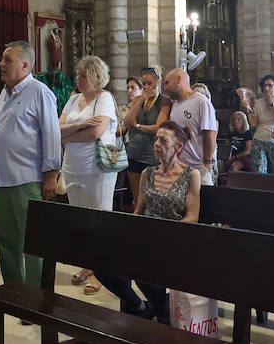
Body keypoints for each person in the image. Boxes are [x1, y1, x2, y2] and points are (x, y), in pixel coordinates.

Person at [95, 122, 201, 322]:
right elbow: (139, 211)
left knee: (144, 268)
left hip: (174, 242)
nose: (157, 144)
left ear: (178, 147)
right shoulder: (147, 173)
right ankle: (140, 305)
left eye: (163, 140)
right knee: (101, 264)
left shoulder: (191, 175)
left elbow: (193, 215)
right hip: (145, 240)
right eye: (156, 139)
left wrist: (169, 234)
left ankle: (160, 311)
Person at [0, 41, 61, 287]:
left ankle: (35, 299)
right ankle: (14, 292)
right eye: (2, 59)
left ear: (25, 65)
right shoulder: (4, 92)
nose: (1, 64)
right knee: (7, 240)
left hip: (28, 178)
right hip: (2, 179)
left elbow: (51, 134)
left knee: (33, 242)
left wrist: (51, 174)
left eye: (7, 60)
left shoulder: (39, 92)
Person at [59, 55, 119, 295]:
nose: (78, 78)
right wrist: (77, 127)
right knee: (80, 221)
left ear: (96, 76)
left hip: (97, 167)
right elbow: (56, 128)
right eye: (77, 74)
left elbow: (96, 132)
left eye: (83, 75)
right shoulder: (74, 100)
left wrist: (69, 133)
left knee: (99, 219)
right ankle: (87, 265)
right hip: (72, 166)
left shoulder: (104, 98)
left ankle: (101, 272)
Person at [122, 66, 171, 210]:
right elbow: (127, 122)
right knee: (137, 199)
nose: (146, 87)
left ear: (158, 82)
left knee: (153, 198)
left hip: (153, 156)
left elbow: (158, 127)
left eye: (149, 83)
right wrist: (140, 100)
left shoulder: (165, 101)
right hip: (134, 153)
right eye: (144, 84)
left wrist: (136, 126)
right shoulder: (138, 99)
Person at [162, 68, 218, 183]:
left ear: (178, 80)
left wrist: (207, 161)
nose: (165, 88)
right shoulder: (175, 103)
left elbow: (210, 133)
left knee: (203, 200)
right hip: (178, 166)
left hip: (198, 167)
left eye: (167, 83)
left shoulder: (201, 102)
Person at [247, 74, 274, 174]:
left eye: (270, 85)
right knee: (259, 171)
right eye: (264, 86)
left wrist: (272, 104)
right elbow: (253, 124)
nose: (266, 88)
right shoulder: (258, 102)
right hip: (259, 139)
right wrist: (248, 110)